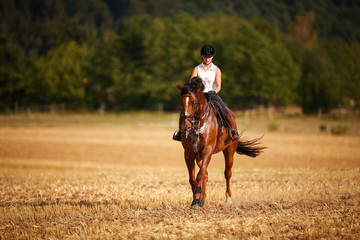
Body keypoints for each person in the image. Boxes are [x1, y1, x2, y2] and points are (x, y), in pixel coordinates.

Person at [173, 44, 240, 142]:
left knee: (224, 110)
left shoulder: (216, 70)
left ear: (212, 57)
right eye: (205, 56)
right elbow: (191, 83)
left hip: (212, 94)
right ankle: (180, 132)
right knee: (185, 111)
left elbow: (218, 86)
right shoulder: (197, 68)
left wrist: (213, 92)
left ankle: (233, 131)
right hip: (198, 96)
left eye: (209, 57)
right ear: (202, 57)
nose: (207, 58)